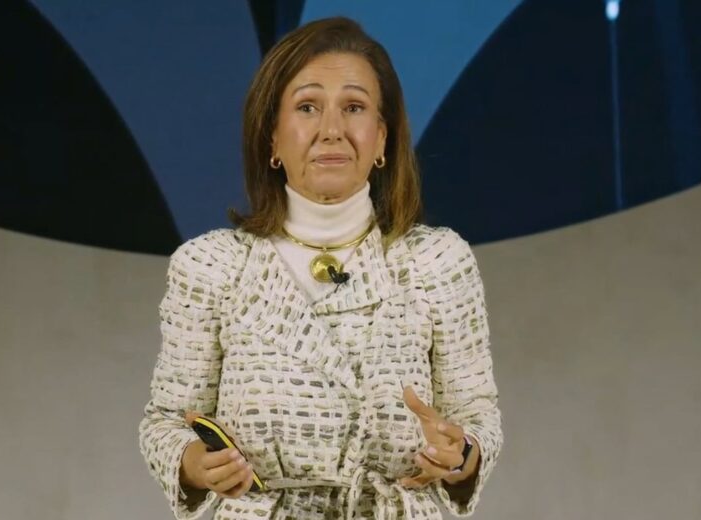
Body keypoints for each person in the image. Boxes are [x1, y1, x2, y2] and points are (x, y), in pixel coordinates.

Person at [139, 16, 502, 520]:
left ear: (381, 138)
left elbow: (477, 417)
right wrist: (194, 463)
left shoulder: (437, 262)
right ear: (272, 138)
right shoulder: (210, 268)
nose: (331, 131)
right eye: (308, 107)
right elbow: (166, 422)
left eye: (354, 108)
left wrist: (461, 455)